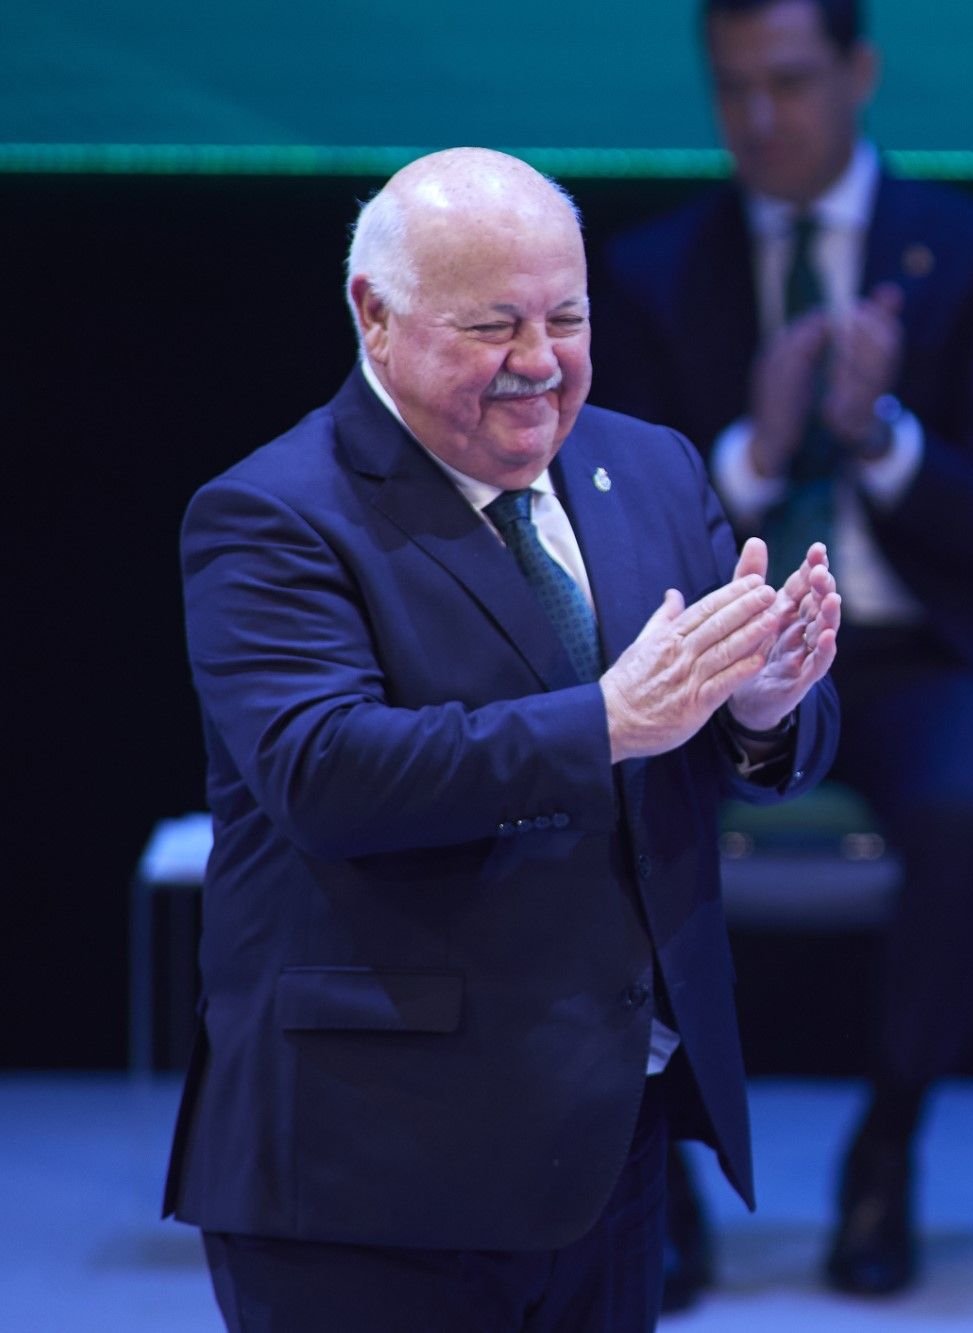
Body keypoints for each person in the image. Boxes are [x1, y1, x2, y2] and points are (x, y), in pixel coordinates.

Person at [165, 147, 842, 1333]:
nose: (540, 362)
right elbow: (325, 771)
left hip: (606, 1143)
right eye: (492, 326)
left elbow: (703, 723)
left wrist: (762, 705)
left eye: (567, 317)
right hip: (370, 1160)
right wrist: (611, 721)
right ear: (373, 316)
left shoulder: (647, 463)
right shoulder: (270, 513)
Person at [590, 0, 973, 1300]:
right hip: (713, 649)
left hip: (909, 646)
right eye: (732, 87)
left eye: (789, 83)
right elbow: (616, 522)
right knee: (609, 794)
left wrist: (880, 434)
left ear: (858, 74)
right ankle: (661, 1176)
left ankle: (887, 1145)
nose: (758, 118)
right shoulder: (651, 270)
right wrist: (753, 445)